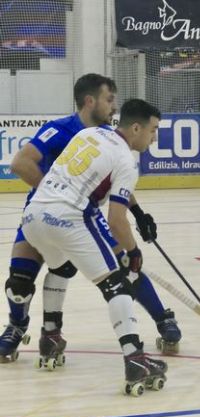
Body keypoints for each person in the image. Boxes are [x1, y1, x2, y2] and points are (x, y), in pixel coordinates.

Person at [0, 74, 181, 364]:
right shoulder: (61, 130)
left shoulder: (101, 134)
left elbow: (114, 179)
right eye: (109, 100)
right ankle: (17, 326)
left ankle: (162, 318)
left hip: (73, 213)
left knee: (111, 266)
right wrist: (59, 194)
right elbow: (21, 163)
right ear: (90, 100)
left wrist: (138, 212)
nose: (113, 107)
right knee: (20, 283)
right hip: (57, 209)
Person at [21, 99, 167, 394]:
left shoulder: (87, 134)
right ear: (136, 128)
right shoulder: (126, 160)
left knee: (60, 268)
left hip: (33, 215)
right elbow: (115, 220)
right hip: (69, 216)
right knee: (117, 284)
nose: (154, 138)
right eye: (152, 130)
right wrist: (134, 252)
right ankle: (135, 358)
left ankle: (50, 338)